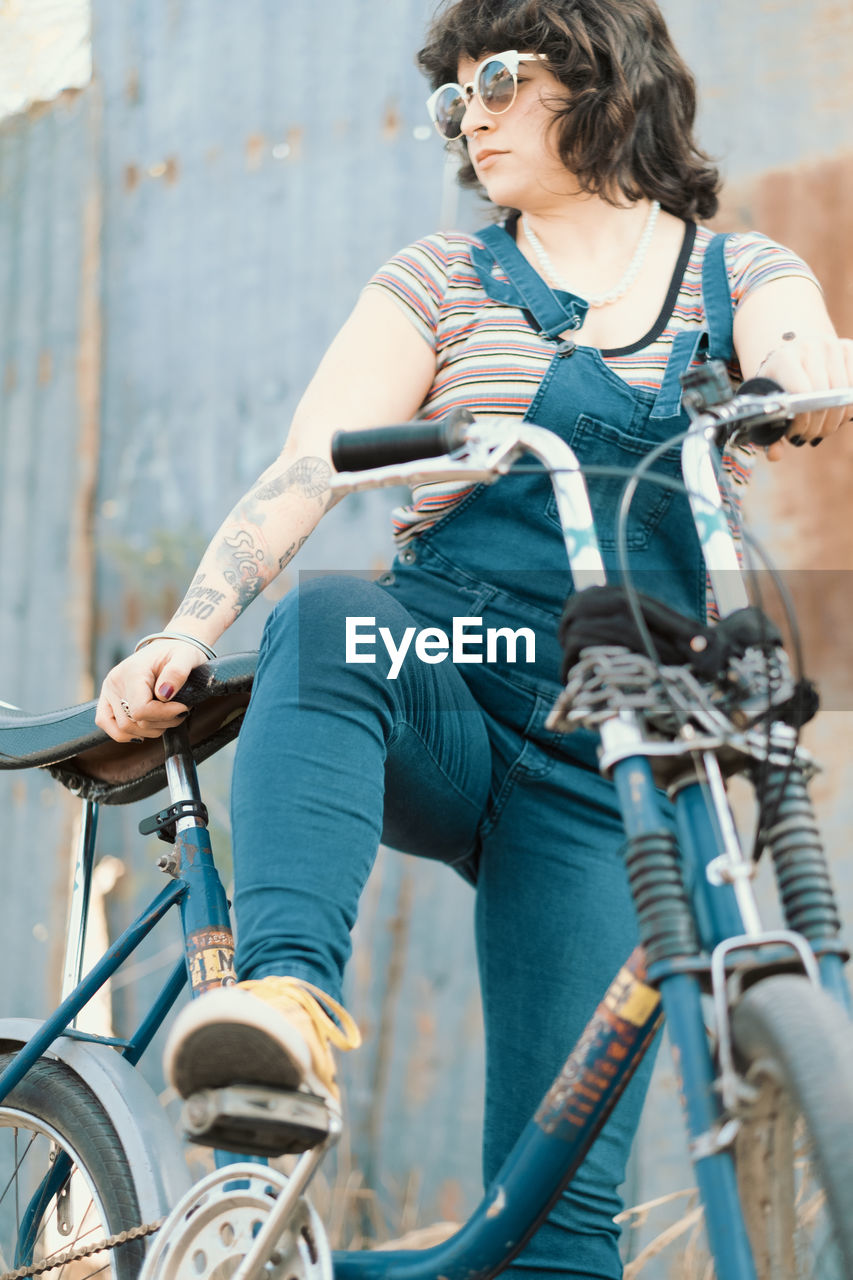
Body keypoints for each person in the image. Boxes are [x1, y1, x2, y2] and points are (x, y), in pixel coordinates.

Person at [96, 1, 853, 1275]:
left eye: (497, 77)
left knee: (554, 1231)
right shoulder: (439, 279)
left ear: (605, 71)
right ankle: (282, 1002)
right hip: (452, 669)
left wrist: (800, 386)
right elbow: (312, 462)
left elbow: (802, 355)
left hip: (615, 739)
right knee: (332, 622)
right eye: (454, 98)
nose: (471, 114)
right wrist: (187, 624)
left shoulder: (738, 274)